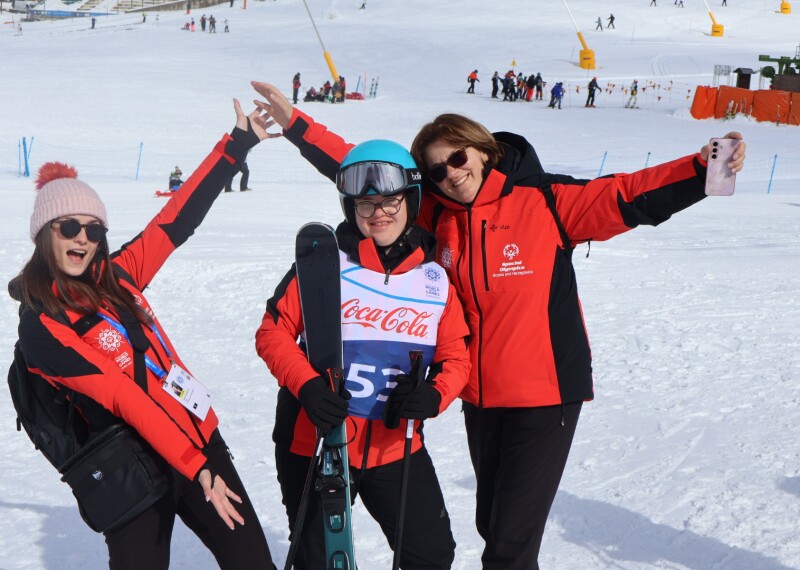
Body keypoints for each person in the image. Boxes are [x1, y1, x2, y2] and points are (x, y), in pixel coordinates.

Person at [249, 80, 747, 570]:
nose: (450, 173)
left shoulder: (547, 201)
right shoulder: (437, 215)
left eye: (457, 158)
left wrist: (704, 167)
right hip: (481, 401)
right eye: (437, 170)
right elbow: (374, 178)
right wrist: (297, 126)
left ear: (484, 151)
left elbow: (629, 195)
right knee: (492, 526)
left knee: (508, 547)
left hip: (543, 396)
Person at [9, 98, 279, 569]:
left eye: (94, 230)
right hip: (132, 465)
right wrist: (195, 467)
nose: (82, 239)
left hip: (197, 439)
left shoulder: (120, 276)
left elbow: (177, 219)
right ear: (44, 234)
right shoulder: (42, 325)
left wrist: (236, 145)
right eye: (69, 227)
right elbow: (121, 396)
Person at [255, 140, 471, 569]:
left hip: (395, 447)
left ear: (411, 200)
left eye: (390, 201)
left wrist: (434, 395)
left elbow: (456, 358)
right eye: (365, 204)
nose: (378, 213)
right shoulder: (324, 265)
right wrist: (308, 387)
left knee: (430, 555)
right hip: (318, 444)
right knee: (320, 561)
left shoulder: (434, 280)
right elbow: (271, 333)